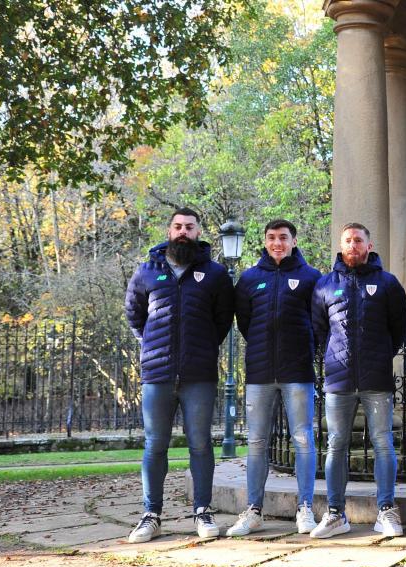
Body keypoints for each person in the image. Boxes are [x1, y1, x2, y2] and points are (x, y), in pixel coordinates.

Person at [124, 208, 234, 543]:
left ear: (199, 231)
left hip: (198, 374)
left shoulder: (215, 274)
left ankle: (203, 511)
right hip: (156, 374)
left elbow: (222, 321)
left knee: (200, 444)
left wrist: (198, 347)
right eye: (177, 226)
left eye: (189, 226)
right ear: (169, 231)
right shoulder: (147, 271)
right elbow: (134, 315)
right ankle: (151, 514)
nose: (183, 231)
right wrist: (155, 344)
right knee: (155, 444)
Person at [310, 224, 406, 539]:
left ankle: (386, 510)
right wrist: (334, 358)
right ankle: (336, 514)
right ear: (341, 246)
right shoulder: (324, 285)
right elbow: (318, 330)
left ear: (369, 244)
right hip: (338, 382)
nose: (353, 245)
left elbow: (399, 329)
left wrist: (379, 355)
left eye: (358, 240)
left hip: (376, 379)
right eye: (348, 241)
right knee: (336, 444)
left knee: (383, 443)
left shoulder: (387, 284)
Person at [226, 220, 321, 537]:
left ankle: (305, 508)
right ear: (264, 242)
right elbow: (245, 323)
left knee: (303, 439)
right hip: (259, 373)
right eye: (271, 238)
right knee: (256, 443)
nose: (277, 243)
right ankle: (253, 511)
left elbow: (320, 323)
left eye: (283, 238)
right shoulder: (250, 278)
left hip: (298, 372)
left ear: (294, 240)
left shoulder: (311, 277)